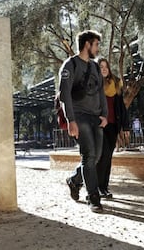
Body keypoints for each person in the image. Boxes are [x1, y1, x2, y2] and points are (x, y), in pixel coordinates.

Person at [59, 30, 108, 213]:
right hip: (79, 116)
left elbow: (101, 92)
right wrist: (71, 120)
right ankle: (93, 198)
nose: (98, 48)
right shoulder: (70, 65)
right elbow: (65, 96)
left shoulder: (95, 67)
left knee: (96, 157)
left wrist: (105, 114)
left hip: (96, 117)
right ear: (87, 44)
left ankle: (74, 180)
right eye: (96, 44)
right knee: (89, 156)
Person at [96, 58, 130, 199]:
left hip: (112, 126)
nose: (104, 69)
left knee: (108, 157)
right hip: (98, 126)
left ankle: (104, 187)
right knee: (101, 156)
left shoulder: (115, 85)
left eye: (106, 67)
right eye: (101, 67)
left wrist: (125, 126)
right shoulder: (94, 86)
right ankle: (97, 188)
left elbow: (121, 108)